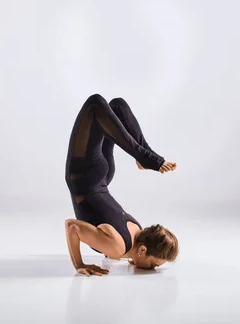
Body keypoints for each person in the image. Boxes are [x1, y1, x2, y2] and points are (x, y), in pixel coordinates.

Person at [64, 94, 179, 277]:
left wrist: (85, 262)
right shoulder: (118, 247)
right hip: (88, 178)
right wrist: (79, 264)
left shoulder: (138, 229)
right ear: (142, 250)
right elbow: (74, 227)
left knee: (102, 105)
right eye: (153, 265)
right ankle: (144, 156)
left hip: (98, 176)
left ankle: (143, 155)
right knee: (109, 106)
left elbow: (74, 226)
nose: (153, 268)